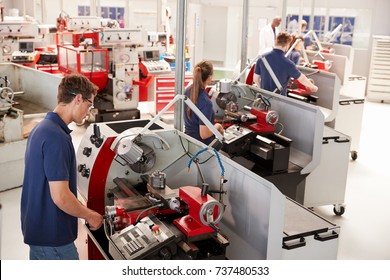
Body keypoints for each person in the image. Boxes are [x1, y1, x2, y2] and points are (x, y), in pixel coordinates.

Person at [20, 73, 103, 260]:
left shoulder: (42, 128)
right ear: (78, 98)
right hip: (53, 239)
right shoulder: (56, 138)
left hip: (39, 231)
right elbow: (61, 197)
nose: (89, 111)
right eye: (89, 104)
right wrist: (89, 215)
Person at [253, 32, 318, 96]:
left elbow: (255, 79)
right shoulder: (288, 63)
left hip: (264, 99)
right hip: (279, 99)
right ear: (287, 44)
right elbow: (302, 78)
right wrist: (313, 87)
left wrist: (262, 90)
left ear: (276, 42)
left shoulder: (262, 58)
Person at [184, 60, 224, 145]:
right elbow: (204, 134)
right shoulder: (206, 103)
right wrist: (217, 126)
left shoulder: (187, 91)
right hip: (202, 146)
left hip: (188, 141)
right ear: (210, 77)